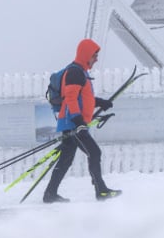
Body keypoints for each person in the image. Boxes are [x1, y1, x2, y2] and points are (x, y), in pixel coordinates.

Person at [42, 38, 121, 203]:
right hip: (73, 122)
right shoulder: (75, 72)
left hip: (71, 121)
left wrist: (100, 102)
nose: (96, 59)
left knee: (66, 159)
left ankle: (50, 193)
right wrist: (78, 121)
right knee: (94, 152)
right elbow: (70, 98)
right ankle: (101, 190)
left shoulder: (81, 72)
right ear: (86, 54)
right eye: (94, 55)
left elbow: (83, 98)